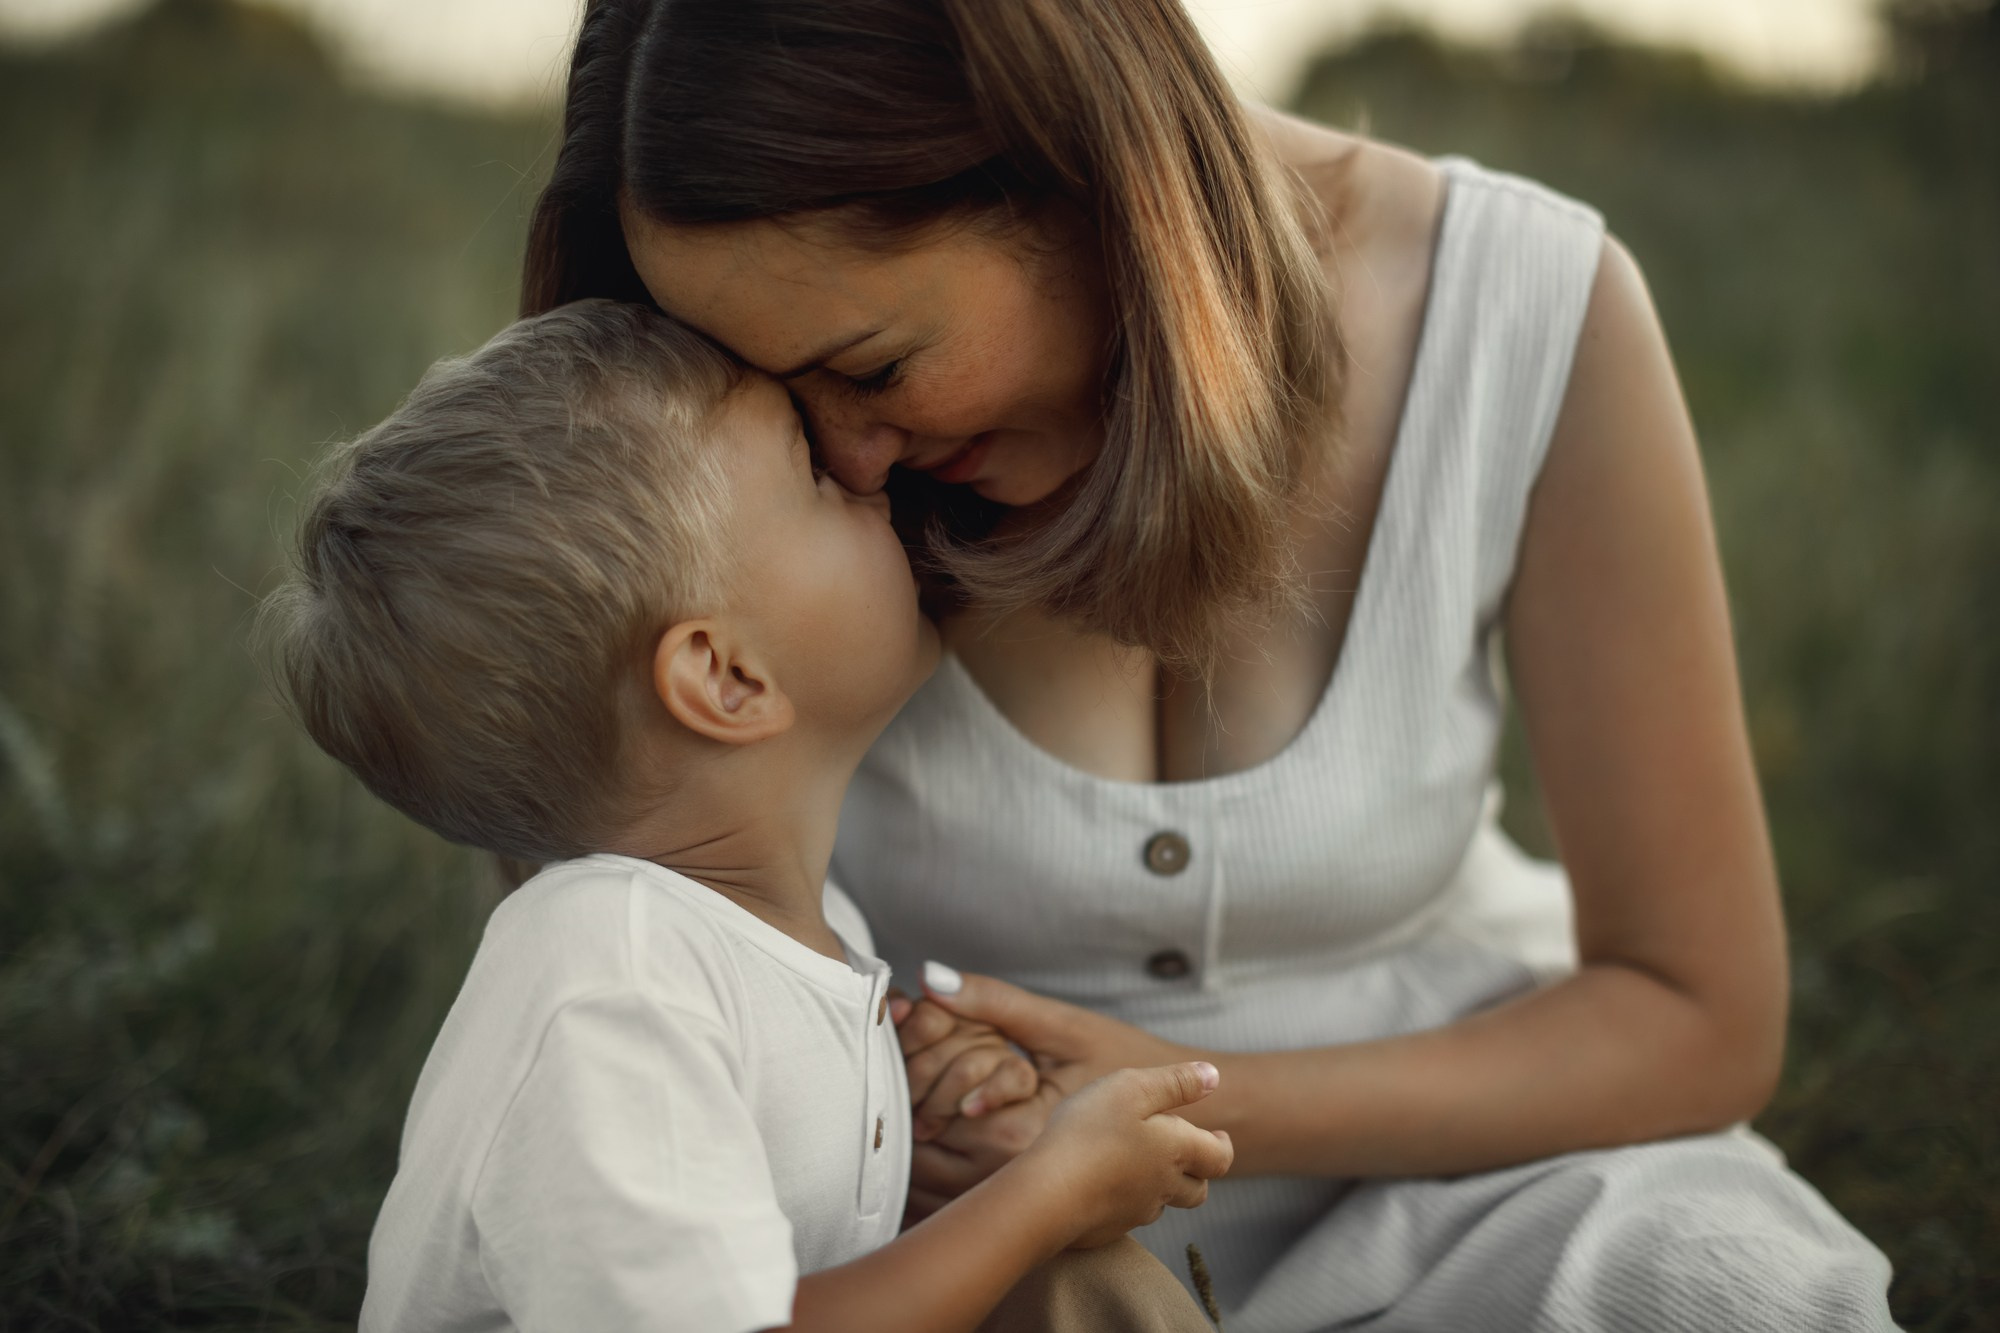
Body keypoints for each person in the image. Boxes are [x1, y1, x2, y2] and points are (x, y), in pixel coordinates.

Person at [522, 1, 1902, 1328]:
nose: (846, 459)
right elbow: (627, 956)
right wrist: (889, 1110)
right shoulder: (743, 467)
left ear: (1080, 175)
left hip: (1482, 1171)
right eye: (769, 392)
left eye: (876, 368)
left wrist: (1179, 1103)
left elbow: (1698, 1017)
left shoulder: (1524, 310)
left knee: (1711, 1295)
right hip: (944, 1235)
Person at [259, 298, 1234, 1332]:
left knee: (1084, 1283)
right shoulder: (610, 974)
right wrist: (1045, 1198)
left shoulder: (792, 939)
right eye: (811, 473)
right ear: (724, 678)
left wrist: (926, 1160)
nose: (866, 475)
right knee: (1076, 1275)